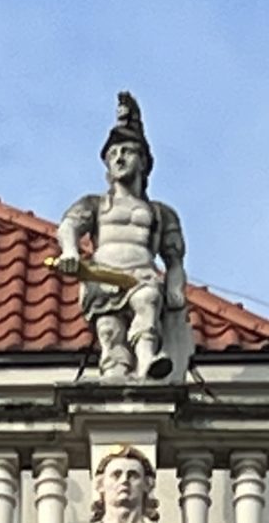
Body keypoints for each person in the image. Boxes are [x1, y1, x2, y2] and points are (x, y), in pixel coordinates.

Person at [56, 95, 187, 381]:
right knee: (109, 330)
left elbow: (174, 258)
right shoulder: (95, 204)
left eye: (127, 151)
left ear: (143, 162)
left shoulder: (161, 213)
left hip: (141, 275)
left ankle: (147, 362)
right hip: (103, 276)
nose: (119, 158)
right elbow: (68, 227)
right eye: (113, 154)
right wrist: (70, 251)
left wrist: (175, 286)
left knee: (148, 300)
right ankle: (115, 375)